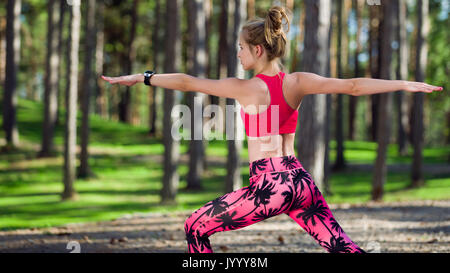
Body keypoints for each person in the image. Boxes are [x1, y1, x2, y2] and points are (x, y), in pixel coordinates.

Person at [102, 6, 443, 253]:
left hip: (269, 186)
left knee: (194, 226)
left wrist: (143, 77)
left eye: (240, 47)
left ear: (258, 49)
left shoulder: (246, 88)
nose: (237, 53)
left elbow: (188, 82)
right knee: (343, 248)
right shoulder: (298, 82)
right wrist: (403, 83)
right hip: (299, 181)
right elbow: (353, 85)